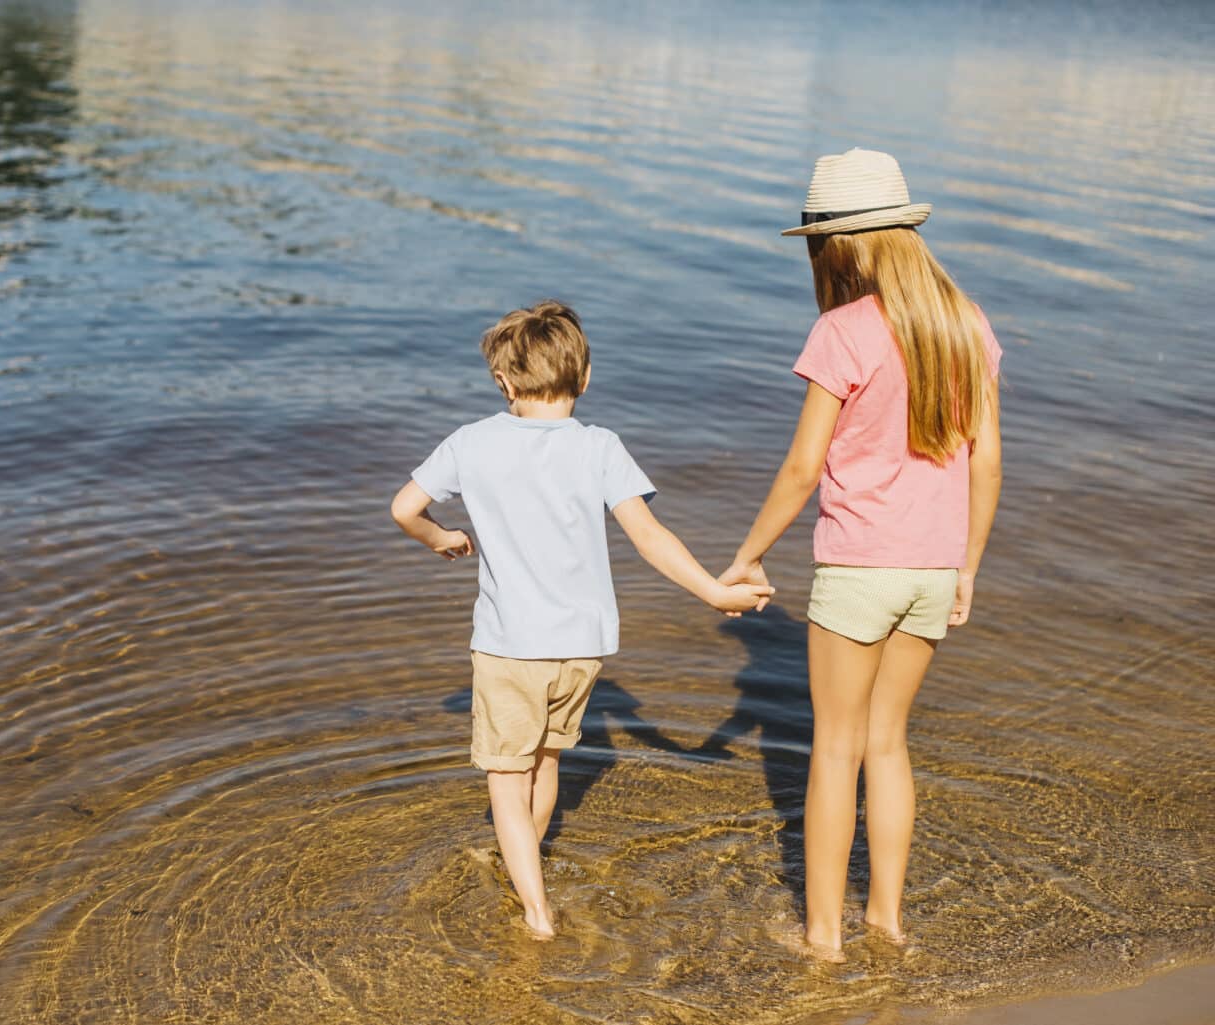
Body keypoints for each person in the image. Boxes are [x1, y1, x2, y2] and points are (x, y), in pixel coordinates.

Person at [391, 300, 774, 939]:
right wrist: (714, 593)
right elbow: (650, 537)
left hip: (511, 647)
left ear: (503, 382)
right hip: (581, 650)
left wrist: (440, 538)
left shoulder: (471, 441)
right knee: (545, 764)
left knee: (505, 785)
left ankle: (537, 913)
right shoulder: (601, 447)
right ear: (585, 376)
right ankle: (527, 865)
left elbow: (405, 507)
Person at [719, 149, 1003, 960]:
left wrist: (746, 554)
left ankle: (823, 937)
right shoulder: (965, 321)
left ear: (839, 245)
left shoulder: (842, 330)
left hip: (859, 568)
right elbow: (986, 461)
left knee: (835, 748)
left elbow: (804, 466)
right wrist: (968, 566)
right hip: (932, 568)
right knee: (889, 742)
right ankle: (888, 920)